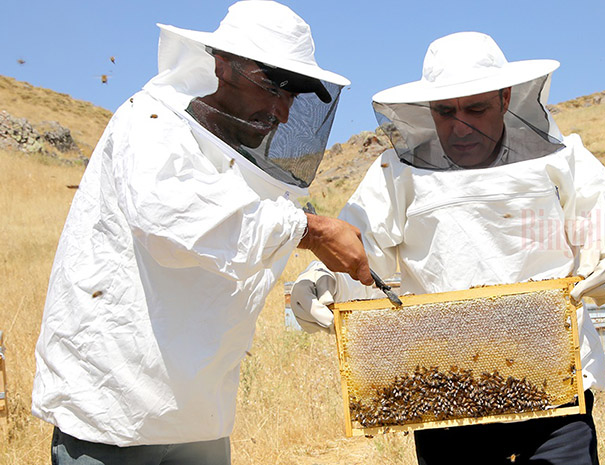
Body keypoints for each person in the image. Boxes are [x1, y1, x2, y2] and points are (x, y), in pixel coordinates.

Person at [290, 32, 605, 464]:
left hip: (555, 381)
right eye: (445, 112)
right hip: (446, 387)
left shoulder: (560, 158)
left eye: (476, 109)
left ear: (505, 98)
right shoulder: (397, 171)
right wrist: (322, 281)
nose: (460, 126)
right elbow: (358, 248)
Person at [32, 2, 372, 464]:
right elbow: (173, 223)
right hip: (113, 417)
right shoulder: (150, 123)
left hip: (200, 419)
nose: (282, 111)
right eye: (272, 86)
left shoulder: (248, 165)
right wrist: (310, 231)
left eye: (293, 95)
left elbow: (247, 244)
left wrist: (324, 282)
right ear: (222, 65)